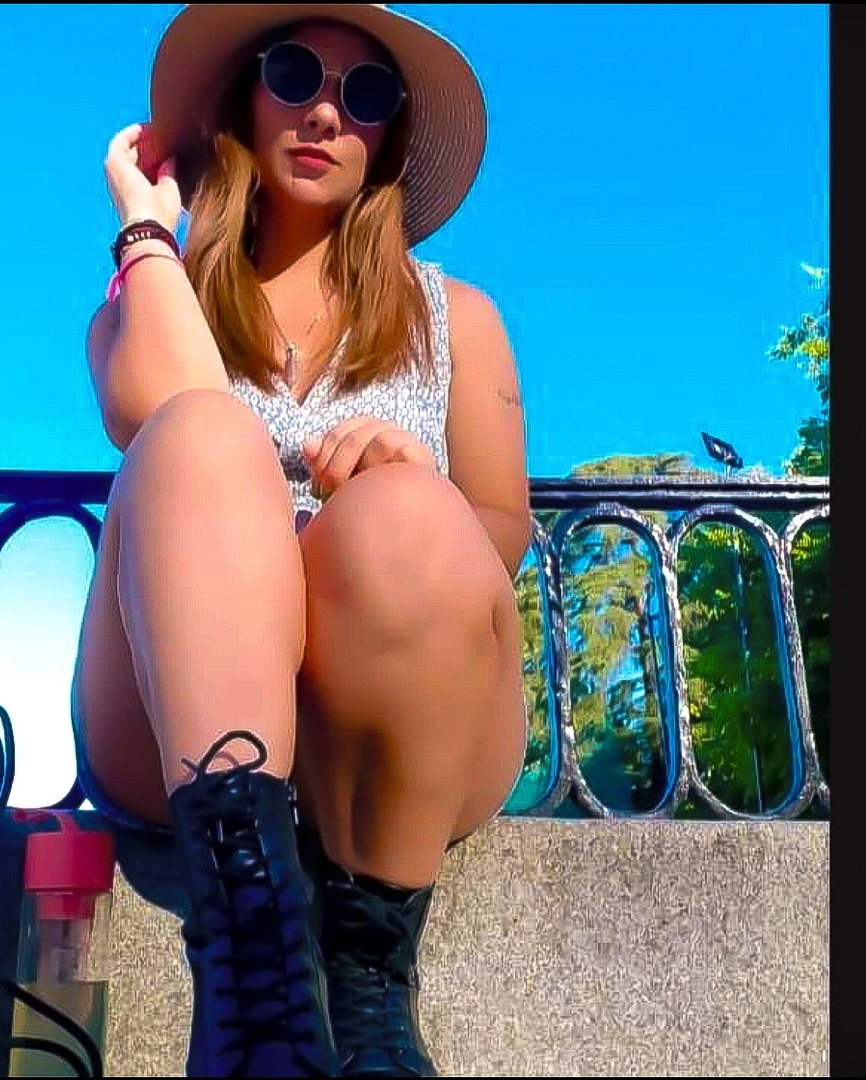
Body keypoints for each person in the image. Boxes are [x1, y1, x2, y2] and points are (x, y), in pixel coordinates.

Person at [71, 4, 530, 1076]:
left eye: (364, 95)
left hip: (394, 728)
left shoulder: (457, 316)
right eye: (293, 74)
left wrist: (412, 483)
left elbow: (501, 526)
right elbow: (156, 409)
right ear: (244, 99)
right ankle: (255, 972)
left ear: (387, 138)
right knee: (201, 432)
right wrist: (147, 226)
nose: (326, 111)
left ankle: (369, 989)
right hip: (178, 729)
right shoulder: (152, 294)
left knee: (412, 508)